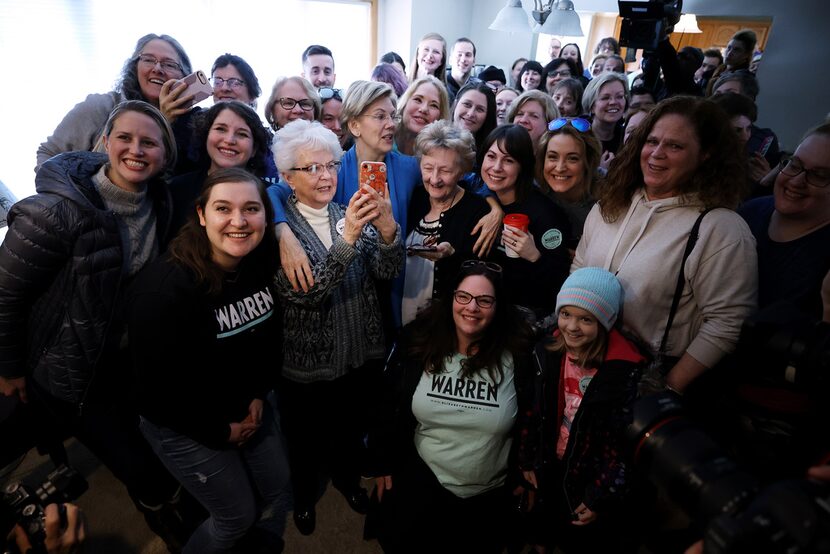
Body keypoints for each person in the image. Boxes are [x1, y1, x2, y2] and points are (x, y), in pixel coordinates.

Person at [0, 100, 195, 549]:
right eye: (124, 138)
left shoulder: (158, 202)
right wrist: (10, 368)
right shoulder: (54, 211)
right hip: (70, 371)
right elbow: (5, 294)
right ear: (105, 142)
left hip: (124, 356)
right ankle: (161, 514)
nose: (136, 149)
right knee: (135, 462)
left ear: (164, 155)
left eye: (150, 142)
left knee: (155, 442)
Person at [128, 168, 290, 553]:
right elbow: (154, 394)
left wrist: (257, 394)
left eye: (251, 208)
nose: (238, 221)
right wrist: (220, 432)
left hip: (245, 403)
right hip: (184, 423)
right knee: (234, 516)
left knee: (277, 485)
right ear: (201, 215)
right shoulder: (164, 290)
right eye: (223, 208)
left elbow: (266, 341)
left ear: (266, 216)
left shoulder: (256, 262)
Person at [573, 95, 758, 396]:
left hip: (649, 384)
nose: (657, 153)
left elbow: (727, 323)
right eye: (652, 141)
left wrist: (667, 389)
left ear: (706, 155)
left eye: (675, 146)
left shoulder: (720, 228)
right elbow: (579, 269)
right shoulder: (611, 204)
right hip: (585, 368)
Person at [271, 119, 404, 535]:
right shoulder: (278, 235)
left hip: (358, 352)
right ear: (288, 178)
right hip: (307, 365)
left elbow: (386, 270)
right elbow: (306, 295)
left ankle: (347, 482)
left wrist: (387, 233)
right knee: (305, 440)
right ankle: (305, 499)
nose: (326, 175)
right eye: (312, 168)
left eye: (330, 165)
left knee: (349, 431)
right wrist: (348, 237)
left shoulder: (346, 211)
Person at [368, 261, 538, 553]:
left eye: (484, 300)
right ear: (451, 300)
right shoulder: (417, 343)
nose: (472, 307)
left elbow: (533, 418)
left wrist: (526, 469)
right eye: (464, 297)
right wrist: (384, 460)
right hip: (423, 480)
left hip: (487, 495)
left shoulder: (519, 356)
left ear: (498, 307)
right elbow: (388, 403)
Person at [519, 268, 646, 553]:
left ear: (605, 322)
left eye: (586, 319)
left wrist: (600, 495)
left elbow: (620, 444)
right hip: (547, 467)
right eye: (566, 314)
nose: (572, 327)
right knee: (541, 533)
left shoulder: (622, 374)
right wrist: (526, 459)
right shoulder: (546, 354)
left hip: (588, 478)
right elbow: (532, 411)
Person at [734, 122, 830, 481]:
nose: (796, 180)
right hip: (716, 395)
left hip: (781, 427)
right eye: (794, 164)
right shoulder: (750, 213)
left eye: (819, 176)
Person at [36, 33, 198, 175]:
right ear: (134, 66)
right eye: (148, 60)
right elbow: (49, 153)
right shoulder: (100, 106)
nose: (157, 69)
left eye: (169, 64)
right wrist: (64, 198)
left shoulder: (193, 126)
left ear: (184, 76)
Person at [402, 120, 491, 325]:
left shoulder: (478, 210)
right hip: (403, 315)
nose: (434, 179)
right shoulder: (415, 198)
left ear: (461, 171)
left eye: (445, 171)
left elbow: (482, 274)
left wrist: (451, 255)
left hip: (446, 323)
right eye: (428, 167)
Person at [480, 125, 571, 319]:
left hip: (525, 318)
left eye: (508, 160)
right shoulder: (480, 197)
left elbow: (562, 283)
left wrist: (534, 256)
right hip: (482, 309)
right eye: (491, 156)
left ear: (523, 166)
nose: (496, 167)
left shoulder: (546, 214)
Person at [169, 101, 271, 234]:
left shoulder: (270, 195)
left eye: (242, 134)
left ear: (254, 149)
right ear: (206, 136)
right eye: (221, 129)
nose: (229, 140)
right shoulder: (176, 190)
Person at [537, 117, 602, 254]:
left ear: (588, 162)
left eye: (572, 158)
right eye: (553, 157)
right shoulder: (534, 188)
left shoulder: (609, 198)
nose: (560, 168)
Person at [394, 76, 450, 156]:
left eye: (433, 105)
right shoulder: (384, 138)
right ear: (405, 102)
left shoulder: (443, 156)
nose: (424, 109)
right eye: (418, 100)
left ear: (441, 115)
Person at [582, 72, 628, 158]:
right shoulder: (577, 135)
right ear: (592, 106)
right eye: (605, 98)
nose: (613, 102)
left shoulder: (627, 138)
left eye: (619, 96)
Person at [706, 29, 757, 96]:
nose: (729, 53)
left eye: (737, 50)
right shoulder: (721, 68)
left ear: (746, 54)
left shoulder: (742, 77)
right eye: (729, 48)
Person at [452, 81, 497, 152]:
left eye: (480, 109)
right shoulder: (432, 140)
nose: (470, 114)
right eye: (467, 104)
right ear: (455, 104)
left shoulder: (491, 152)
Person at [445, 37, 480, 103]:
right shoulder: (440, 87)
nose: (463, 59)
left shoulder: (479, 89)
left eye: (468, 55)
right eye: (459, 55)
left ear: (474, 61)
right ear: (450, 60)